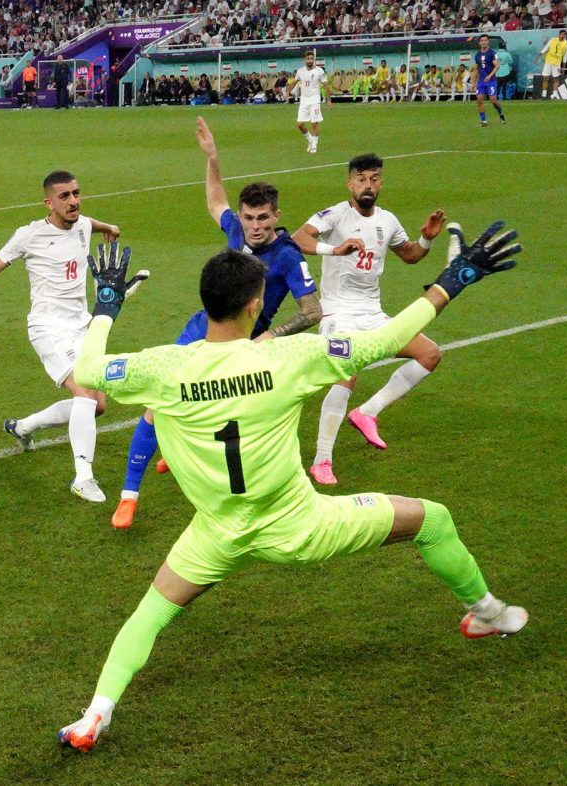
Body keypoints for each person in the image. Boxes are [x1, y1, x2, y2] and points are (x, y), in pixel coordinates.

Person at [58, 222, 527, 754]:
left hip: (216, 534)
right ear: (256, 305)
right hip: (301, 527)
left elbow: (89, 368)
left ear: (206, 301)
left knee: (151, 613)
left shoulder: (163, 367)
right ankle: (485, 613)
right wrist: (452, 280)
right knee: (434, 520)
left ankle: (94, 715)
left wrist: (107, 305)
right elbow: (388, 340)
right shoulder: (291, 357)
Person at [112, 118, 322, 530]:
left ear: (277, 216)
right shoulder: (235, 230)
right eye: (249, 217)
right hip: (201, 328)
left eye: (263, 217)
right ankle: (128, 496)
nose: (256, 225)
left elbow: (313, 311)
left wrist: (270, 335)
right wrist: (213, 158)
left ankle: (181, 453)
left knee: (226, 410)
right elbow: (214, 202)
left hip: (244, 345)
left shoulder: (288, 255)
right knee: (157, 404)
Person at [0, 172, 123, 502]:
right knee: (85, 396)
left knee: (97, 406)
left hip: (81, 327)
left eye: (77, 194)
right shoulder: (29, 236)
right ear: (48, 202)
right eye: (65, 197)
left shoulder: (83, 224)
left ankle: (24, 426)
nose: (73, 201)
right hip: (48, 329)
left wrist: (109, 228)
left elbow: (91, 223)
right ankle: (83, 478)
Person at [292, 154, 446, 485]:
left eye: (374, 179)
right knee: (346, 372)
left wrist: (427, 238)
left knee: (430, 353)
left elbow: (410, 255)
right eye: (361, 179)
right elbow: (298, 238)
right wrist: (334, 250)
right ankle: (322, 460)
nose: (368, 185)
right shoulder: (335, 214)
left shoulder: (388, 220)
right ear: (350, 183)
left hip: (373, 314)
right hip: (338, 313)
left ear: (381, 183)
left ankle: (367, 412)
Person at [294, 51, 330, 154]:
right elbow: (295, 81)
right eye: (308, 59)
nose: (309, 60)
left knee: (314, 123)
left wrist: (328, 100)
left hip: (315, 100)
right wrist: (288, 92)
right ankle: (310, 140)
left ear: (314, 59)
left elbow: (326, 85)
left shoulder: (319, 71)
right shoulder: (300, 71)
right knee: (300, 125)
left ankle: (314, 145)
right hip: (304, 100)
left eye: (311, 58)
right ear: (305, 60)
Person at [472, 34, 506, 125]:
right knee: (479, 99)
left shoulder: (492, 53)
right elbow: (476, 70)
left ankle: (500, 112)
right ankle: (484, 121)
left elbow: (497, 66)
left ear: (488, 42)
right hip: (481, 81)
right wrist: (473, 83)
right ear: (479, 43)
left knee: (493, 100)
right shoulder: (477, 55)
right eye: (482, 40)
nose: (483, 42)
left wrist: (489, 76)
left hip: (491, 81)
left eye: (485, 40)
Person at [535, 30, 567, 100]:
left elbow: (565, 56)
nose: (563, 36)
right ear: (559, 34)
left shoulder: (566, 45)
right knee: (545, 78)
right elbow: (546, 48)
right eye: (562, 34)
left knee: (556, 79)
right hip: (548, 61)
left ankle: (555, 95)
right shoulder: (553, 40)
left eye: (564, 35)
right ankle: (543, 95)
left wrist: (563, 67)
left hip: (557, 64)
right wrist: (539, 55)